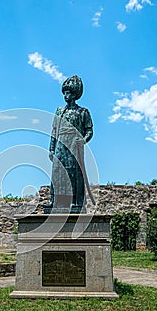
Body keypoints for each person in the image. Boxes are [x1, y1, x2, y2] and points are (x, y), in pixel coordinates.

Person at [45, 75, 93, 213]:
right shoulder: (60, 111)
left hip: (74, 144)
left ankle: (76, 202)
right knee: (57, 172)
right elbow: (54, 130)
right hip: (60, 144)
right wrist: (51, 148)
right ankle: (54, 201)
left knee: (74, 172)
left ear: (74, 94)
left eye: (69, 92)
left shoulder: (83, 112)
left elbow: (89, 130)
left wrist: (83, 140)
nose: (66, 95)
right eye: (65, 92)